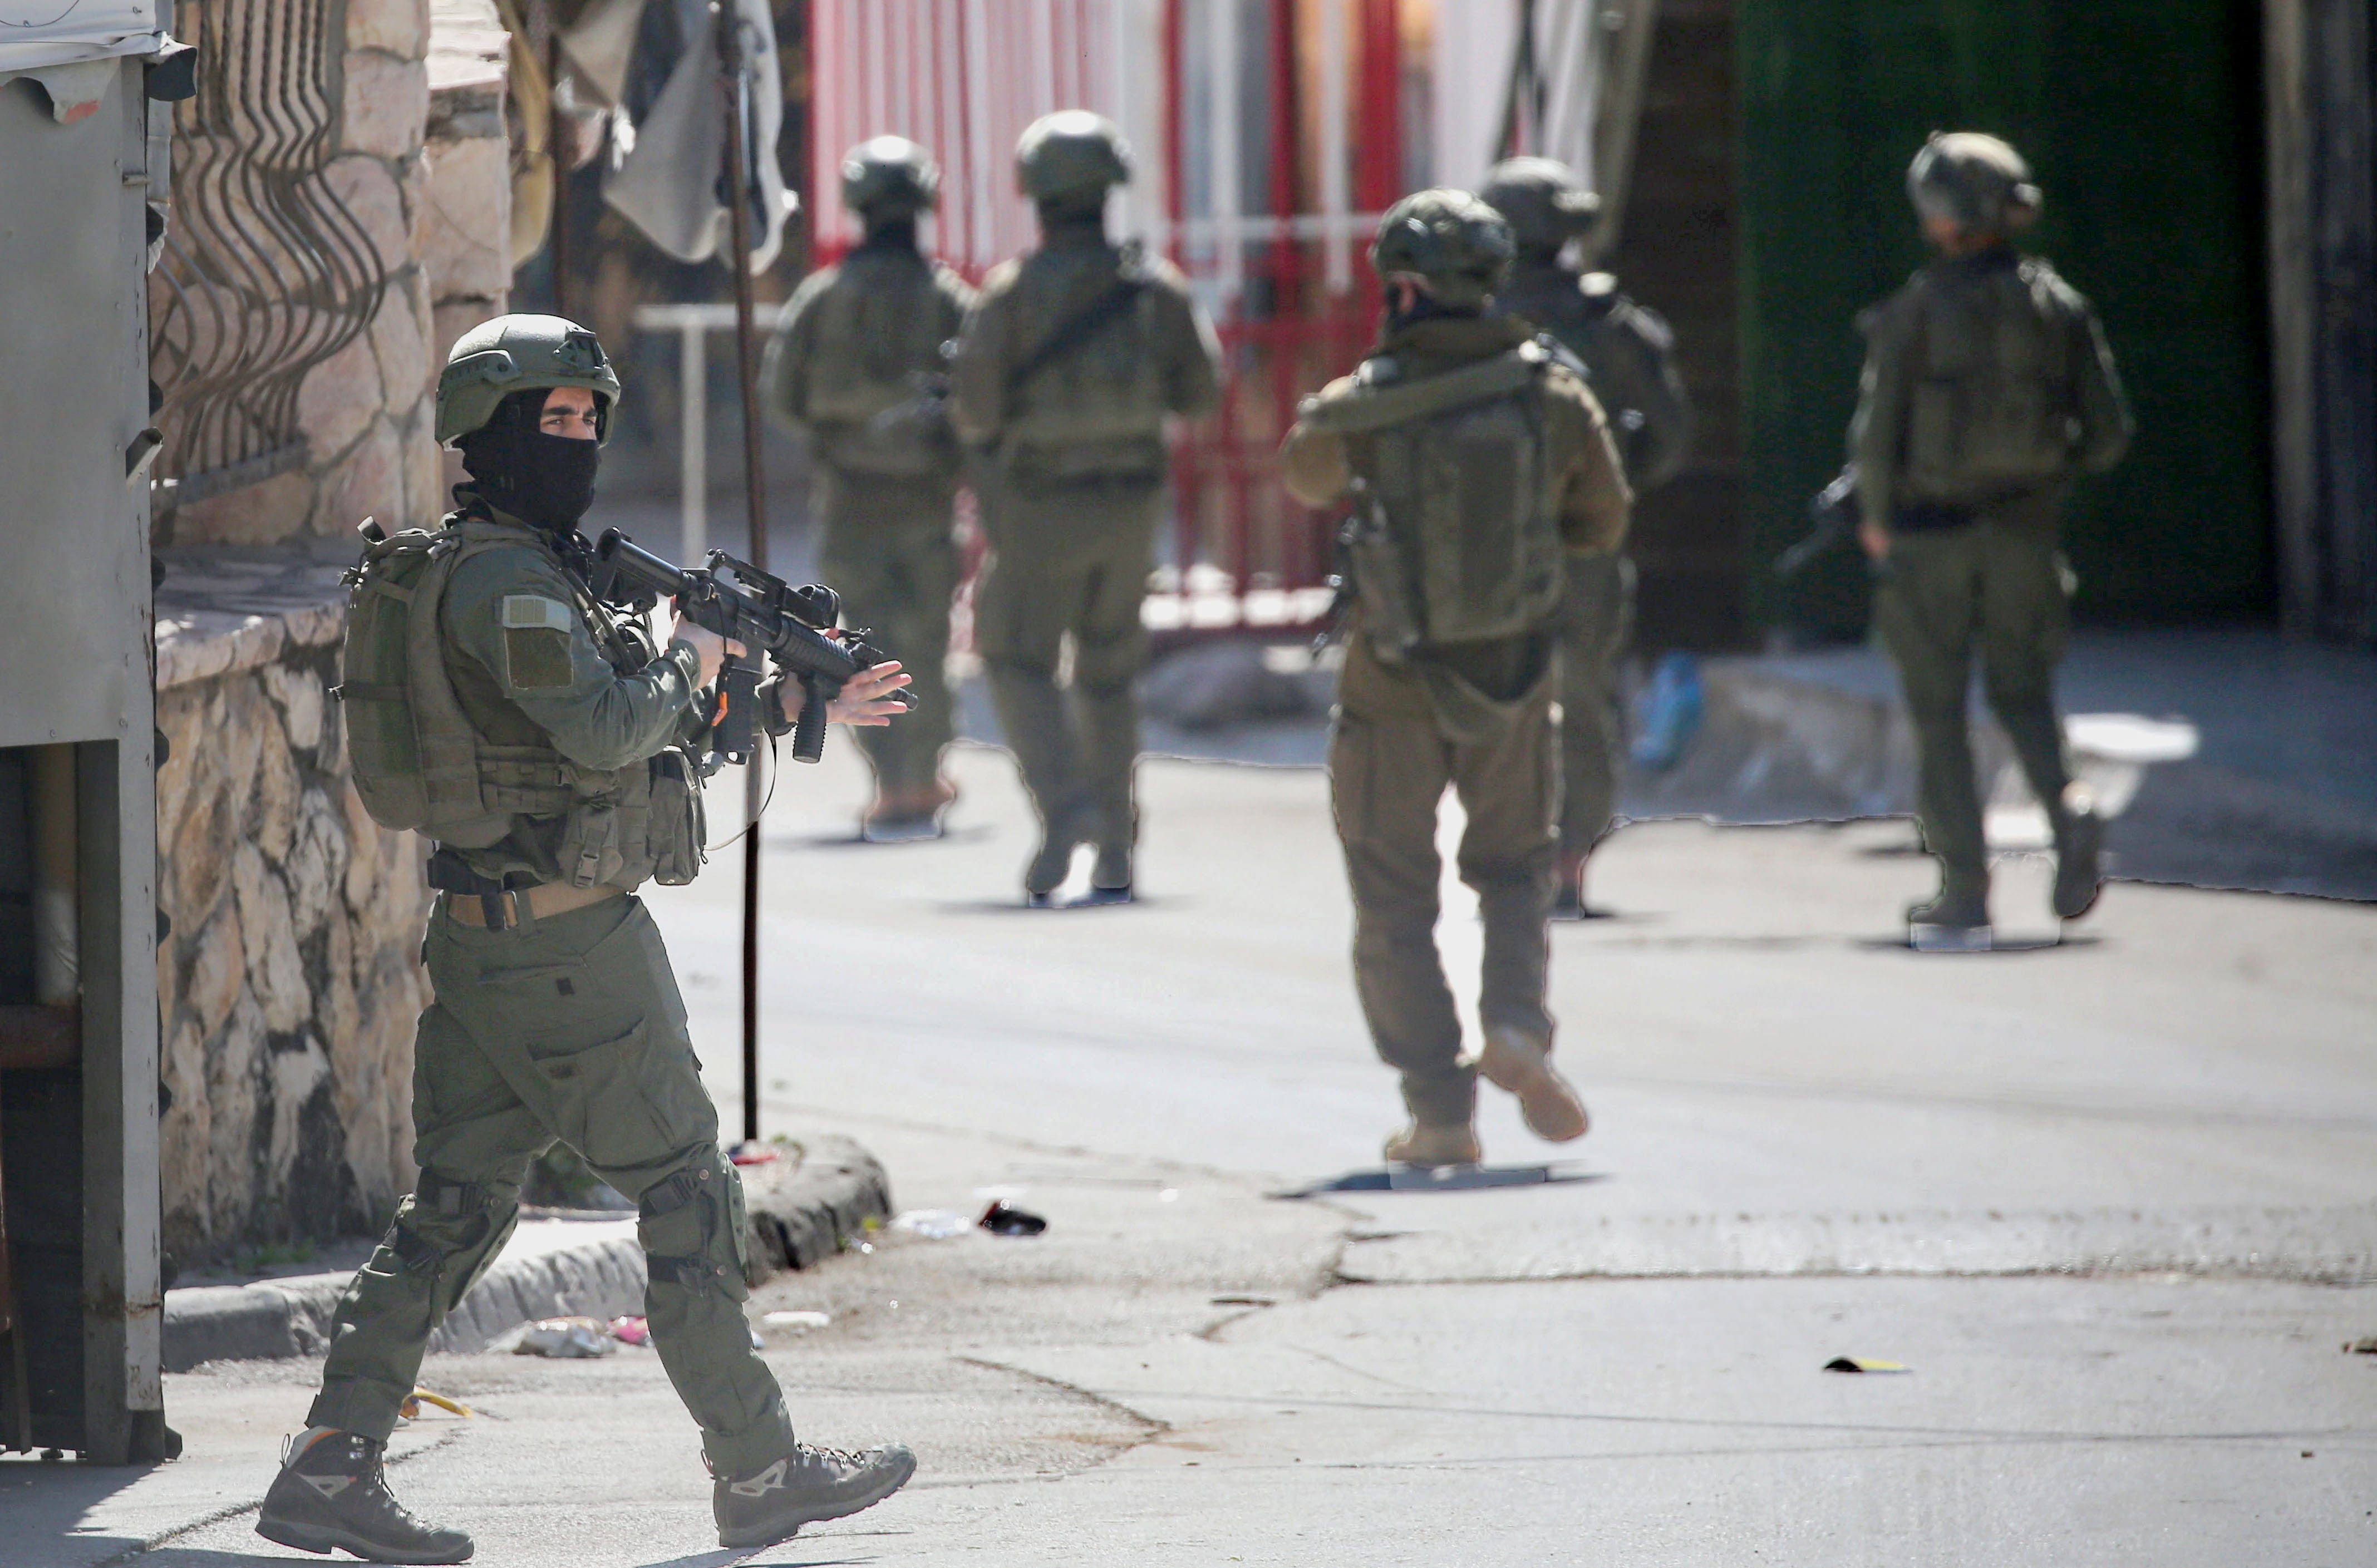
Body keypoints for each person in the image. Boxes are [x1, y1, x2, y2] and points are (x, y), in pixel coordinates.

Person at [258, 315, 918, 1564]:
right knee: (685, 1188)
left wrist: (783, 695)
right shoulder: (505, 581)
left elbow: (607, 761)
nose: (579, 441)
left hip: (499, 939)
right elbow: (614, 727)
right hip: (568, 956)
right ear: (493, 434)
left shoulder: (518, 568)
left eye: (588, 419)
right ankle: (760, 1466)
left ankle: (329, 1465)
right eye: (553, 420)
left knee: (453, 1210)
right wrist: (692, 652)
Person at [1281, 192, 1631, 1166]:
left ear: (1403, 288)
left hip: (1392, 674)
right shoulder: (1551, 395)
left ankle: (1440, 1112)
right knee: (1515, 865)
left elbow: (1304, 476)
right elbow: (1603, 522)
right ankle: (1515, 1021)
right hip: (1514, 670)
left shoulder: (1368, 397)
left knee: (1393, 891)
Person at [1850, 134, 2132, 935]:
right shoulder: (2058, 307)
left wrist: (1875, 519)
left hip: (1927, 543)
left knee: (1937, 713)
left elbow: (1876, 440)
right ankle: (2069, 810)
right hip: (2024, 536)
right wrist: (2043, 478)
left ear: (1937, 217)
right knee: (2024, 694)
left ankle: (1964, 889)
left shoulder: (1912, 313)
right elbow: (2107, 434)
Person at [950, 110, 1222, 905]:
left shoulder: (1012, 294)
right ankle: (1116, 846)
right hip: (1132, 506)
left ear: (1035, 197)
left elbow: (975, 411)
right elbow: (1199, 394)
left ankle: (1065, 807)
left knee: (1011, 652)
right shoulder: (1154, 289)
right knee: (1108, 674)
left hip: (1041, 507)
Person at [1478, 156, 1692, 919]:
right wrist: (1614, 475)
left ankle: (1505, 854)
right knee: (1584, 701)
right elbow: (1668, 439)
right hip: (1586, 543)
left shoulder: (1465, 327)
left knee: (1494, 702)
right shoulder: (1611, 328)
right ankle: (1569, 859)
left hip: (1484, 549)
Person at [765, 136, 976, 840]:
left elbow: (783, 395)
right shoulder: (948, 299)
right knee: (925, 639)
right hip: (926, 502)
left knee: (863, 643)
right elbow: (984, 400)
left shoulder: (823, 299)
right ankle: (920, 776)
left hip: (850, 500)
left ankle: (894, 783)